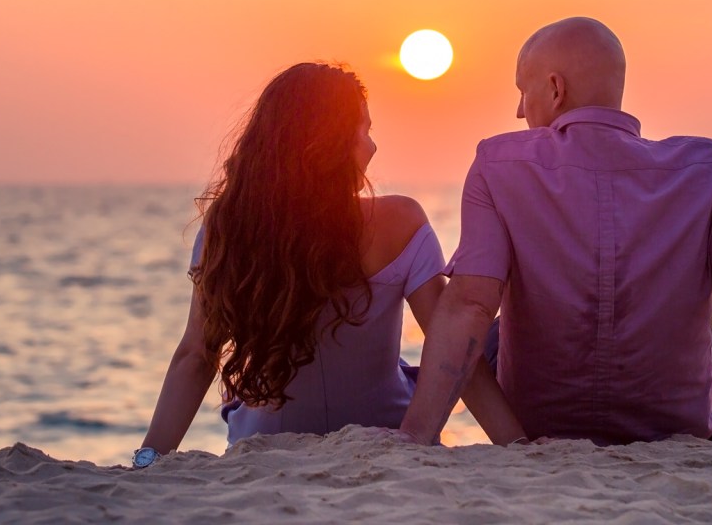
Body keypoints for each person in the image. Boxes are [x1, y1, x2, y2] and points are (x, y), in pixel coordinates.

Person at [398, 18, 712, 455]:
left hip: (538, 423)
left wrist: (416, 438)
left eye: (521, 91)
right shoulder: (711, 171)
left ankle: (510, 446)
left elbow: (468, 304)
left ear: (554, 89)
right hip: (673, 429)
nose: (517, 110)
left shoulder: (497, 166)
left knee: (488, 328)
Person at [132, 62, 523, 466]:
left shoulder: (229, 228)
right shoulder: (401, 222)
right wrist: (517, 445)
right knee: (482, 340)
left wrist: (149, 458)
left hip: (264, 438)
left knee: (242, 400)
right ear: (331, 142)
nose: (372, 147)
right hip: (383, 426)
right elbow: (455, 350)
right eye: (365, 130)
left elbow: (196, 356)